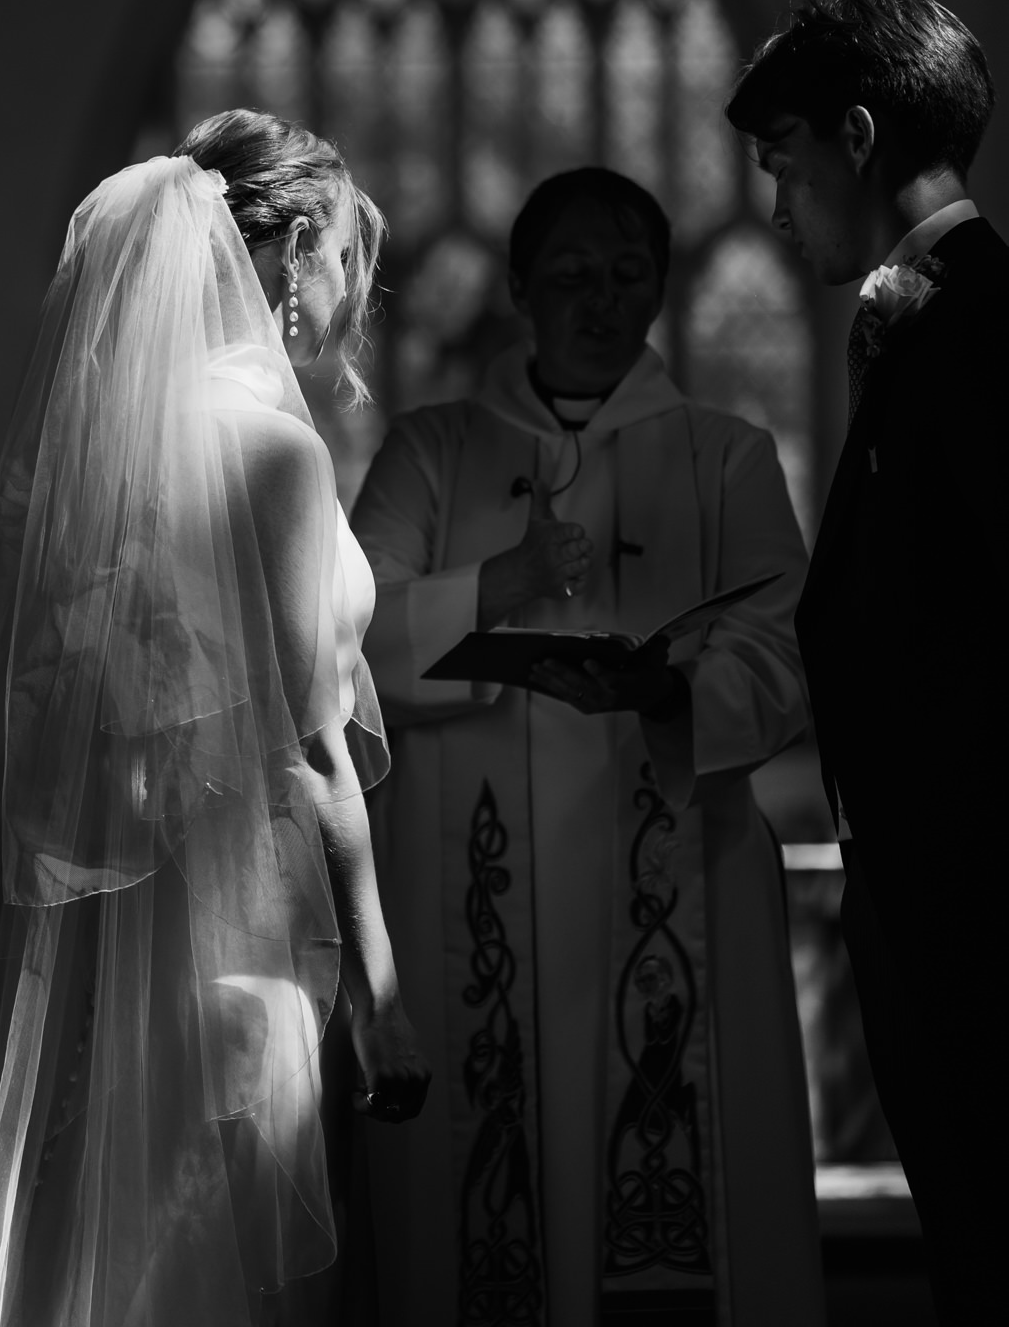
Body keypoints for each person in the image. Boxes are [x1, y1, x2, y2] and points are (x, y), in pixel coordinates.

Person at [0, 111, 429, 1327]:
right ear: (297, 242)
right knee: (226, 1271)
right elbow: (313, 754)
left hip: (110, 939)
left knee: (112, 1253)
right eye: (350, 259)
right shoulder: (274, 453)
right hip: (244, 926)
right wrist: (383, 994)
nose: (352, 298)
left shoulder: (97, 452)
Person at [350, 167, 824, 1327]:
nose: (599, 301)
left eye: (625, 276)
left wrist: (667, 693)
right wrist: (500, 584)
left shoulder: (727, 455)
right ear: (518, 287)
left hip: (671, 878)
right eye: (569, 275)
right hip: (470, 895)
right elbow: (342, 641)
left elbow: (783, 655)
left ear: (659, 289)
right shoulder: (430, 450)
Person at [726, 0, 1004, 1327]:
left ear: (853, 135)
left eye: (781, 167)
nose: (775, 212)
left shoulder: (983, 331)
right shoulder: (933, 322)